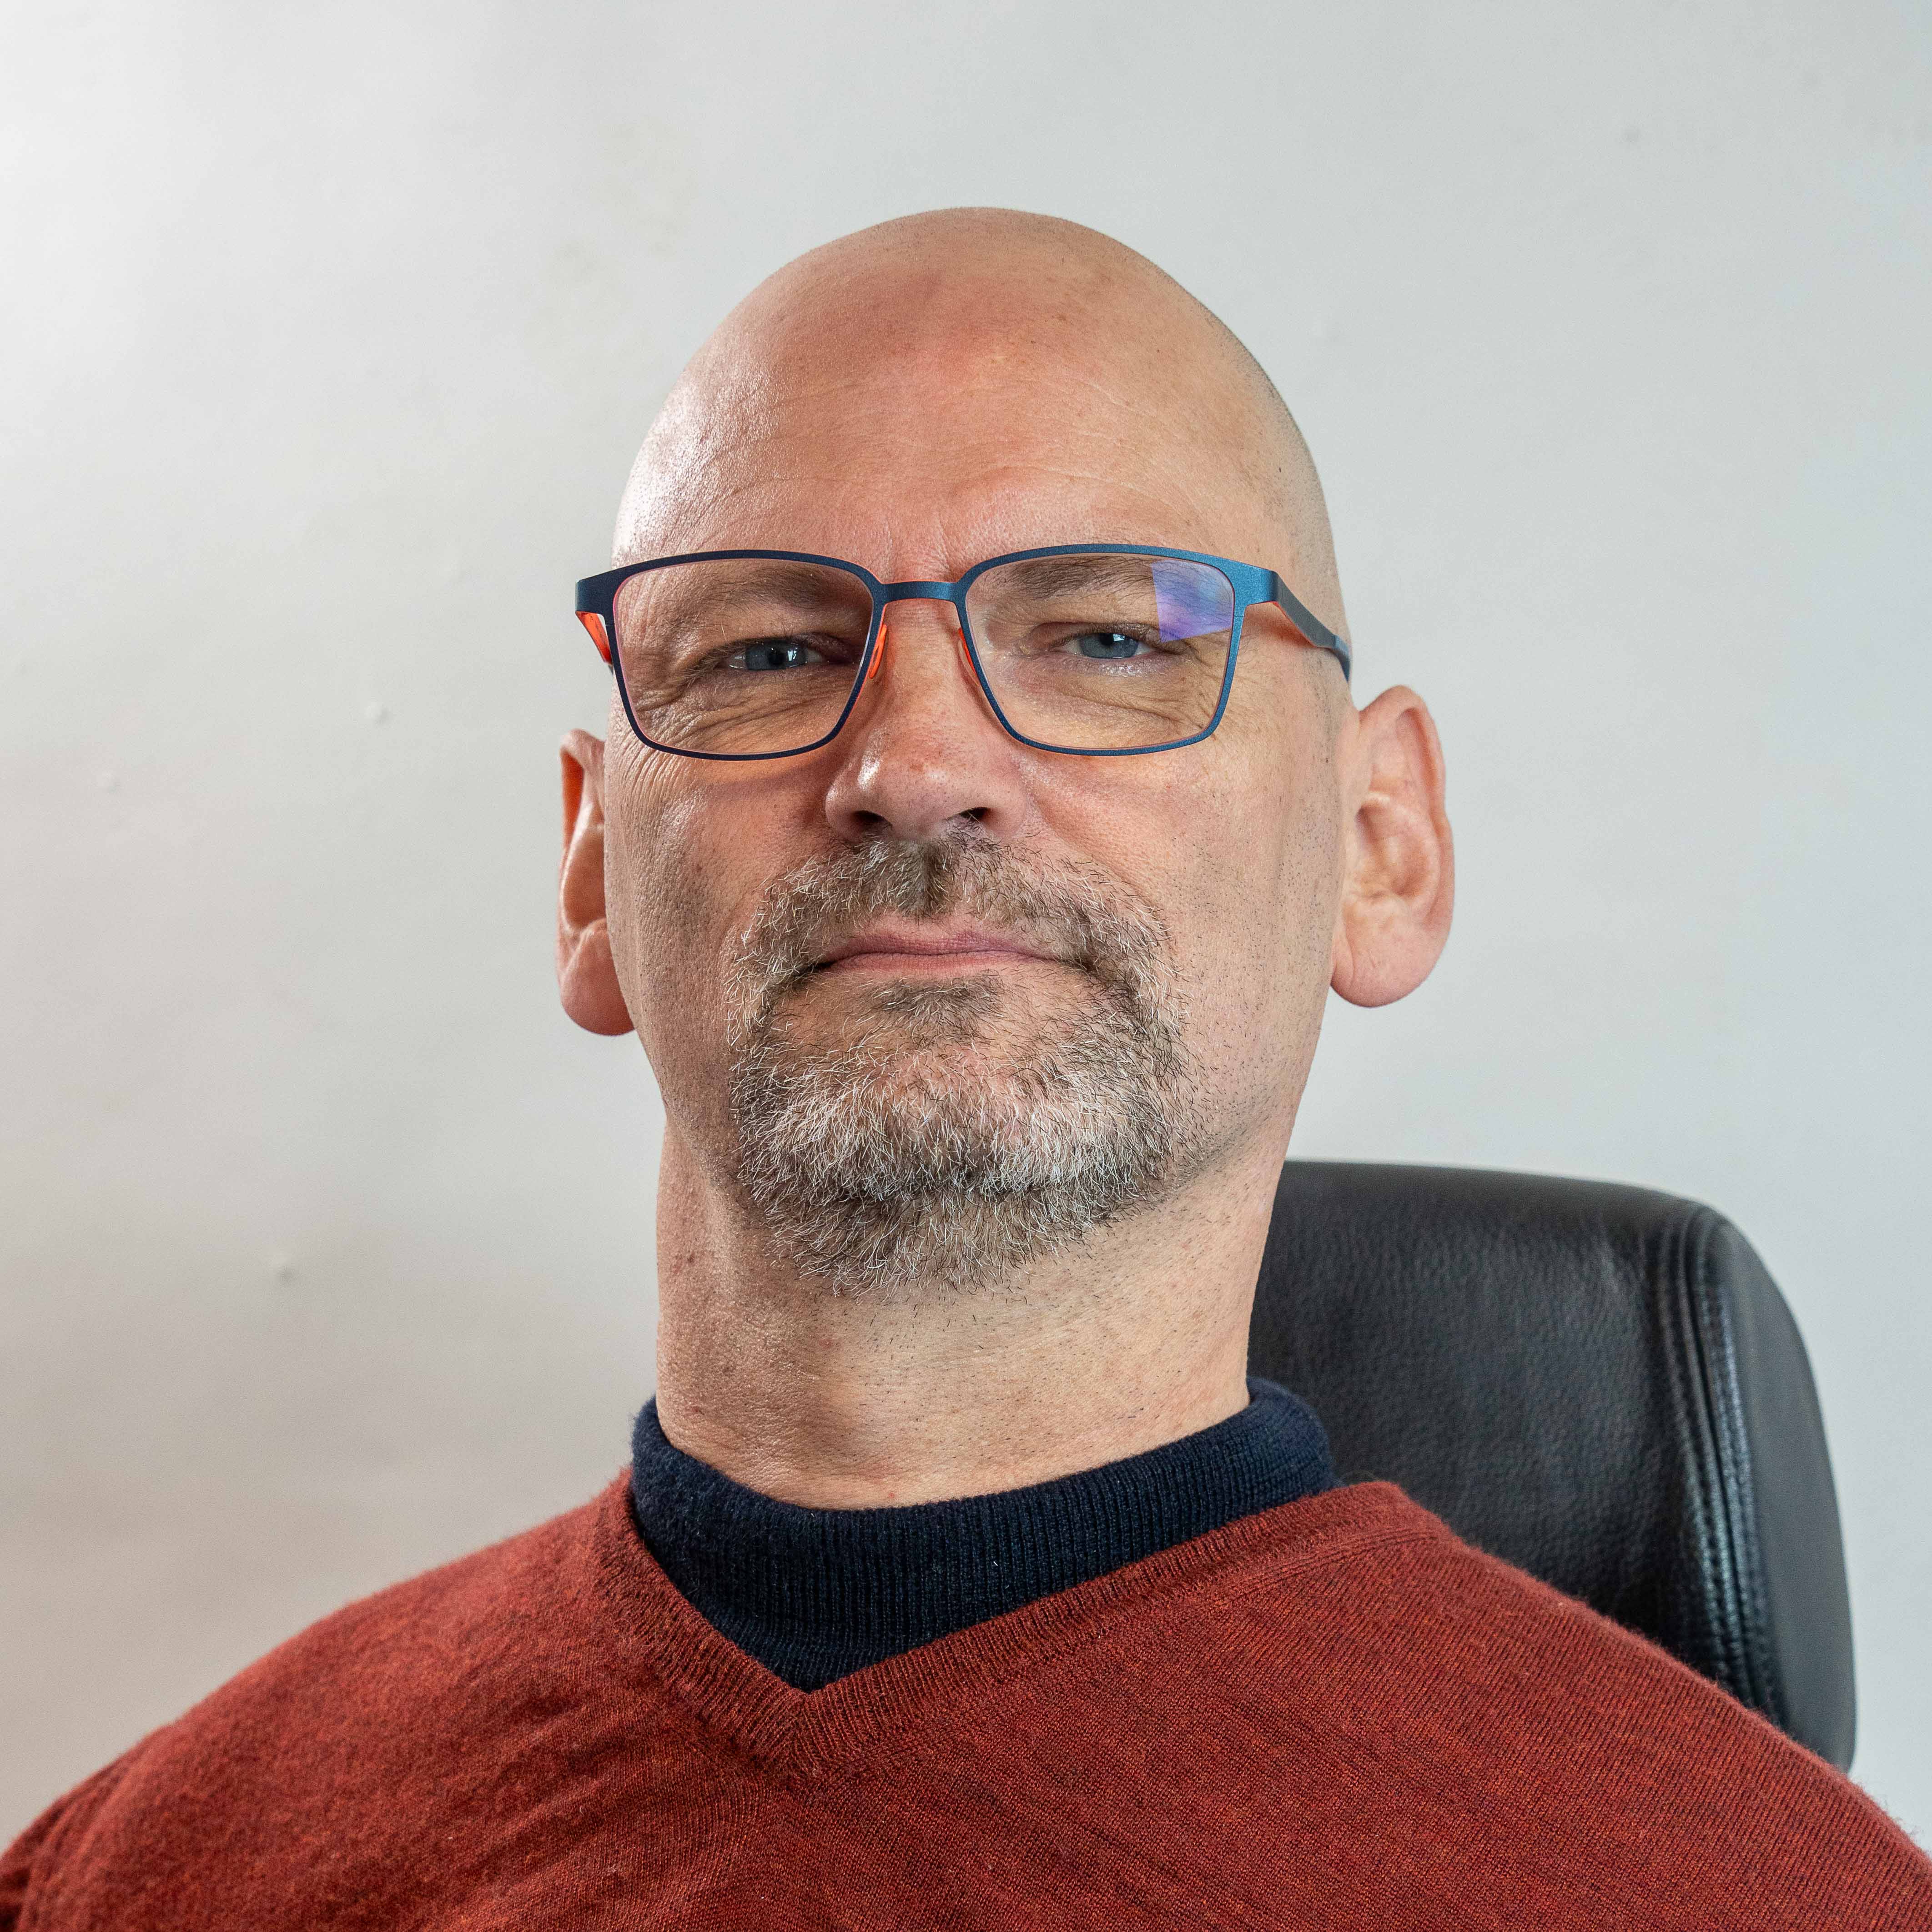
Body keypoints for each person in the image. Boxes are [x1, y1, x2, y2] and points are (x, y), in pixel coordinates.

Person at [5, 207, 1927, 1930]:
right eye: (765, 654)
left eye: (1107, 635)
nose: (916, 764)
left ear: (1379, 846)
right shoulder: (143, 1880)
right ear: (591, 873)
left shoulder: (1760, 1904)